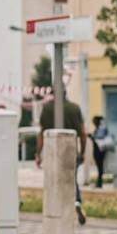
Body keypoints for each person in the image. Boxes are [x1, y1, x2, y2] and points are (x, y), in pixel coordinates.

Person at [37, 96, 87, 226]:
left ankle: (56, 209)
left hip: (51, 151)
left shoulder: (47, 108)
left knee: (53, 181)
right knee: (71, 180)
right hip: (71, 149)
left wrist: (38, 153)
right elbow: (83, 132)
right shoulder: (74, 108)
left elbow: (41, 132)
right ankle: (76, 202)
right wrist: (82, 152)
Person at [89, 116, 111, 188]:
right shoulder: (99, 129)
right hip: (98, 150)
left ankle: (99, 183)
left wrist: (91, 136)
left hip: (100, 151)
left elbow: (98, 137)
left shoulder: (101, 129)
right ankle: (99, 182)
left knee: (100, 167)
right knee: (99, 167)